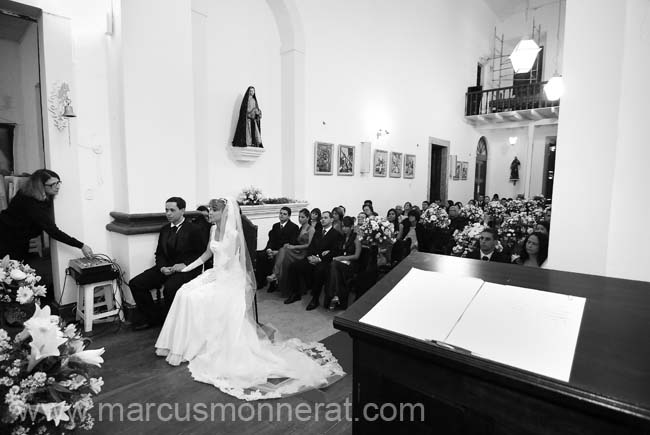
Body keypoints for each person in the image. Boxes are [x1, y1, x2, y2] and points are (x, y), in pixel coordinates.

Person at [154, 198, 344, 400]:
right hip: (215, 274)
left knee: (196, 297)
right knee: (184, 291)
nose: (209, 213)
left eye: (213, 210)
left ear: (224, 213)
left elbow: (234, 263)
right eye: (209, 210)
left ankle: (198, 344)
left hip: (230, 278)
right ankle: (184, 344)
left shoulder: (233, 233)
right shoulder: (212, 230)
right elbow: (206, 255)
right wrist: (185, 268)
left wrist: (219, 276)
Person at [129, 197, 205, 330]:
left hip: (186, 269)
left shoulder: (194, 229)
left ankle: (171, 323)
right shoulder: (164, 229)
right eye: (166, 210)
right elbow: (159, 253)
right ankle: (152, 318)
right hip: (166, 267)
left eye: (172, 210)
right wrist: (162, 267)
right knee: (136, 283)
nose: (168, 213)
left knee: (170, 288)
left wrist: (185, 264)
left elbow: (202, 253)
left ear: (182, 210)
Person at [0, 169, 93, 262]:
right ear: (40, 186)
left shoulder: (34, 194)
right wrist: (81, 245)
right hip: (7, 237)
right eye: (53, 184)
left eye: (58, 182)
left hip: (17, 235)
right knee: (12, 269)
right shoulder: (32, 203)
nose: (57, 187)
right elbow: (53, 231)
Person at [284, 211, 343, 310]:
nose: (322, 220)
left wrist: (320, 258)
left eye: (325, 218)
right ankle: (295, 293)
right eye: (322, 218)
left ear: (331, 220)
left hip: (325, 261)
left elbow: (335, 251)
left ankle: (315, 299)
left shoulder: (336, 234)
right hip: (312, 258)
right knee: (294, 266)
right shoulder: (318, 232)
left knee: (319, 271)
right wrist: (310, 256)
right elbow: (311, 246)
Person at [272, 208, 315, 297]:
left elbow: (309, 245)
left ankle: (275, 274)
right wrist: (290, 245)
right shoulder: (300, 228)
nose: (300, 219)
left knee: (283, 251)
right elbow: (295, 241)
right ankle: (282, 283)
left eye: (302, 217)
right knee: (283, 249)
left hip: (303, 253)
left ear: (308, 218)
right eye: (299, 217)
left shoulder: (311, 229)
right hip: (297, 250)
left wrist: (294, 247)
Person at [255, 206, 299, 290]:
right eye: (280, 213)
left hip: (283, 252)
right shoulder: (275, 226)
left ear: (289, 216)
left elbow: (291, 243)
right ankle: (261, 282)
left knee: (274, 258)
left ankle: (273, 284)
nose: (282, 215)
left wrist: (277, 252)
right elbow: (271, 240)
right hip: (272, 250)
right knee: (259, 255)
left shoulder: (294, 227)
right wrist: (269, 249)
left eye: (284, 214)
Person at [327, 216, 362, 310]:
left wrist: (342, 257)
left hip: (351, 264)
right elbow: (337, 250)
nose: (344, 229)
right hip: (341, 263)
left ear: (351, 227)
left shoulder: (356, 238)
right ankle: (337, 296)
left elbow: (356, 256)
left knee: (334, 265)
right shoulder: (342, 238)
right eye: (343, 226)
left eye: (346, 227)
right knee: (334, 267)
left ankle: (333, 295)